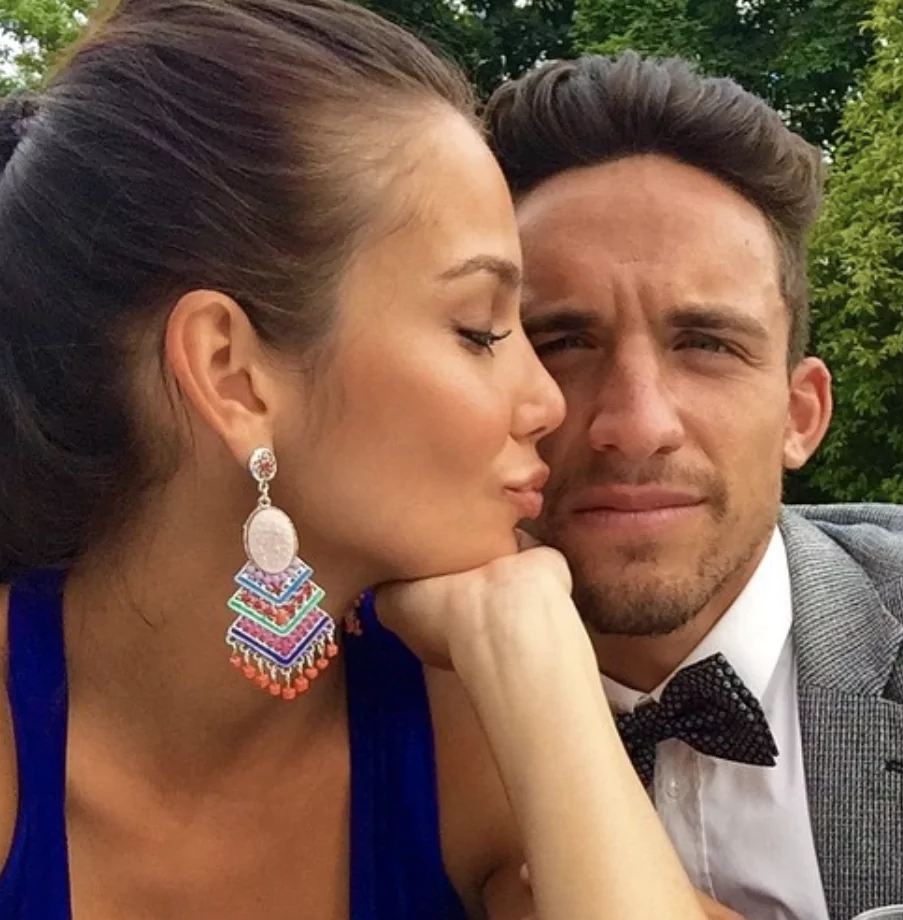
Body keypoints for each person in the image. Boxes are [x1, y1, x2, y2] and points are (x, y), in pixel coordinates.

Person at [0, 4, 715, 919]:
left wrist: (534, 653)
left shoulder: (458, 731)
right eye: (480, 330)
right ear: (231, 375)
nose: (548, 403)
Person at [486, 51, 903, 920]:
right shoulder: (381, 694)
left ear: (801, 414)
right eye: (561, 344)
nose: (638, 423)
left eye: (707, 345)